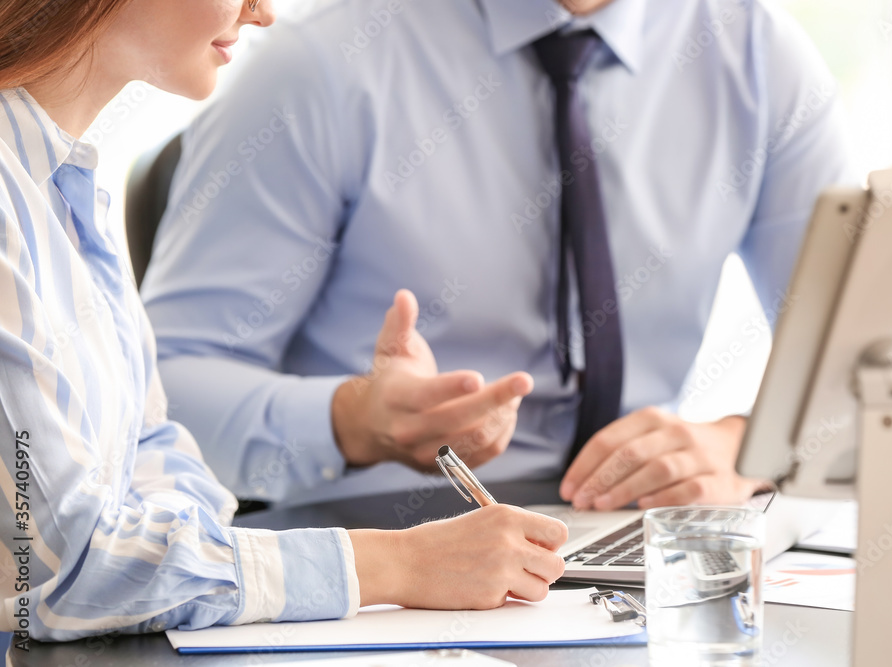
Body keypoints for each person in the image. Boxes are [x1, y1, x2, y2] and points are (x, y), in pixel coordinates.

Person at [0, 0, 567, 643]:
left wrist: (205, 573)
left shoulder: (66, 188)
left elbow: (149, 449)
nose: (263, 11)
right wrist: (397, 564)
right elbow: (59, 566)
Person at [143, 0, 855, 510]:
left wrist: (746, 445)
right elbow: (159, 394)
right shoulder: (322, 63)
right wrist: (353, 419)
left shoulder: (760, 55)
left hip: (638, 543)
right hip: (383, 555)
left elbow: (871, 369)